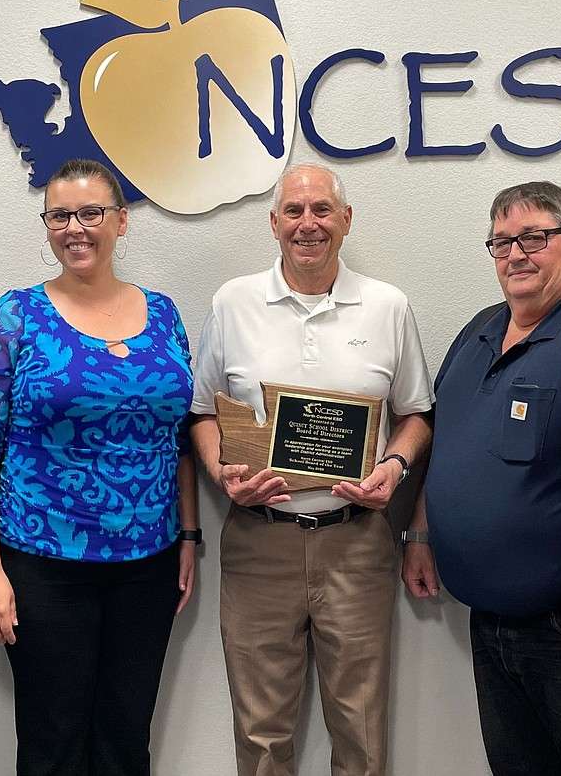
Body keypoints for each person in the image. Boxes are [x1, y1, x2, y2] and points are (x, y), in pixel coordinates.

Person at [402, 180, 561, 776]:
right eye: (501, 242)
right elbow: (448, 441)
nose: (516, 254)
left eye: (534, 238)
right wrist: (420, 532)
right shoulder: (480, 330)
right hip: (490, 623)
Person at [189, 163, 433, 776]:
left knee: (361, 727)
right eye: (294, 212)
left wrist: (396, 467)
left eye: (322, 210)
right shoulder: (233, 301)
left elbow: (418, 414)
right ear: (274, 224)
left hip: (357, 541)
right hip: (257, 542)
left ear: (345, 221)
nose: (308, 224)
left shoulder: (388, 306)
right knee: (261, 731)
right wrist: (223, 474)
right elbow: (200, 413)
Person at [0, 158, 198, 776]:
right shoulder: (16, 316)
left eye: (91, 213)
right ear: (46, 227)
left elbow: (178, 437)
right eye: (60, 215)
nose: (76, 228)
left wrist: (190, 536)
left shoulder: (165, 314)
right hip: (43, 564)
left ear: (121, 222)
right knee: (53, 738)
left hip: (149, 562)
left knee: (126, 734)